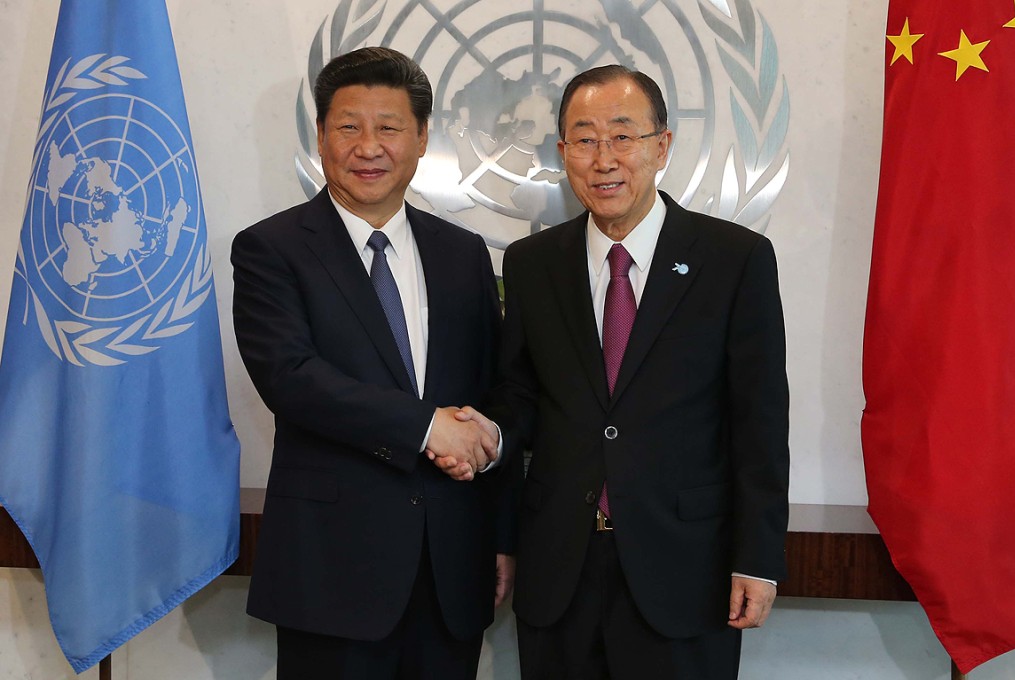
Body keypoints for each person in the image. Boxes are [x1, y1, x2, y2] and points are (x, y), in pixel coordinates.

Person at [458, 64, 790, 679]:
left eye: (622, 135)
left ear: (661, 146)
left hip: (687, 569)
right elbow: (520, 394)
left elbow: (760, 421)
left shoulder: (733, 259)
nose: (603, 158)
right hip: (561, 566)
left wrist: (758, 558)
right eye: (584, 139)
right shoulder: (534, 265)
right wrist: (488, 437)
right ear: (563, 154)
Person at [231, 47, 515, 680]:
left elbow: (494, 389)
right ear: (321, 136)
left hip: (451, 567)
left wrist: (491, 457)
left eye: (388, 127)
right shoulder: (270, 249)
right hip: (331, 573)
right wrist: (427, 428)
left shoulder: (463, 254)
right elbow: (291, 378)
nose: (368, 146)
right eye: (348, 126)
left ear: (420, 140)